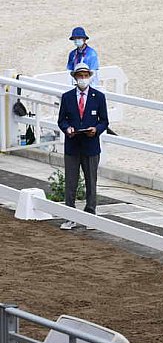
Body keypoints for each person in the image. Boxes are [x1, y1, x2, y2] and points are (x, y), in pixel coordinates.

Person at [57, 63, 109, 230]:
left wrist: (96, 130)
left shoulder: (99, 97)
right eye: (80, 76)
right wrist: (67, 129)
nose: (83, 79)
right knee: (71, 182)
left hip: (91, 145)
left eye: (86, 75)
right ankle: (69, 215)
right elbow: (61, 120)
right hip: (72, 145)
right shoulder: (67, 97)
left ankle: (90, 214)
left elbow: (104, 121)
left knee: (91, 182)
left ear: (90, 77)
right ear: (75, 78)